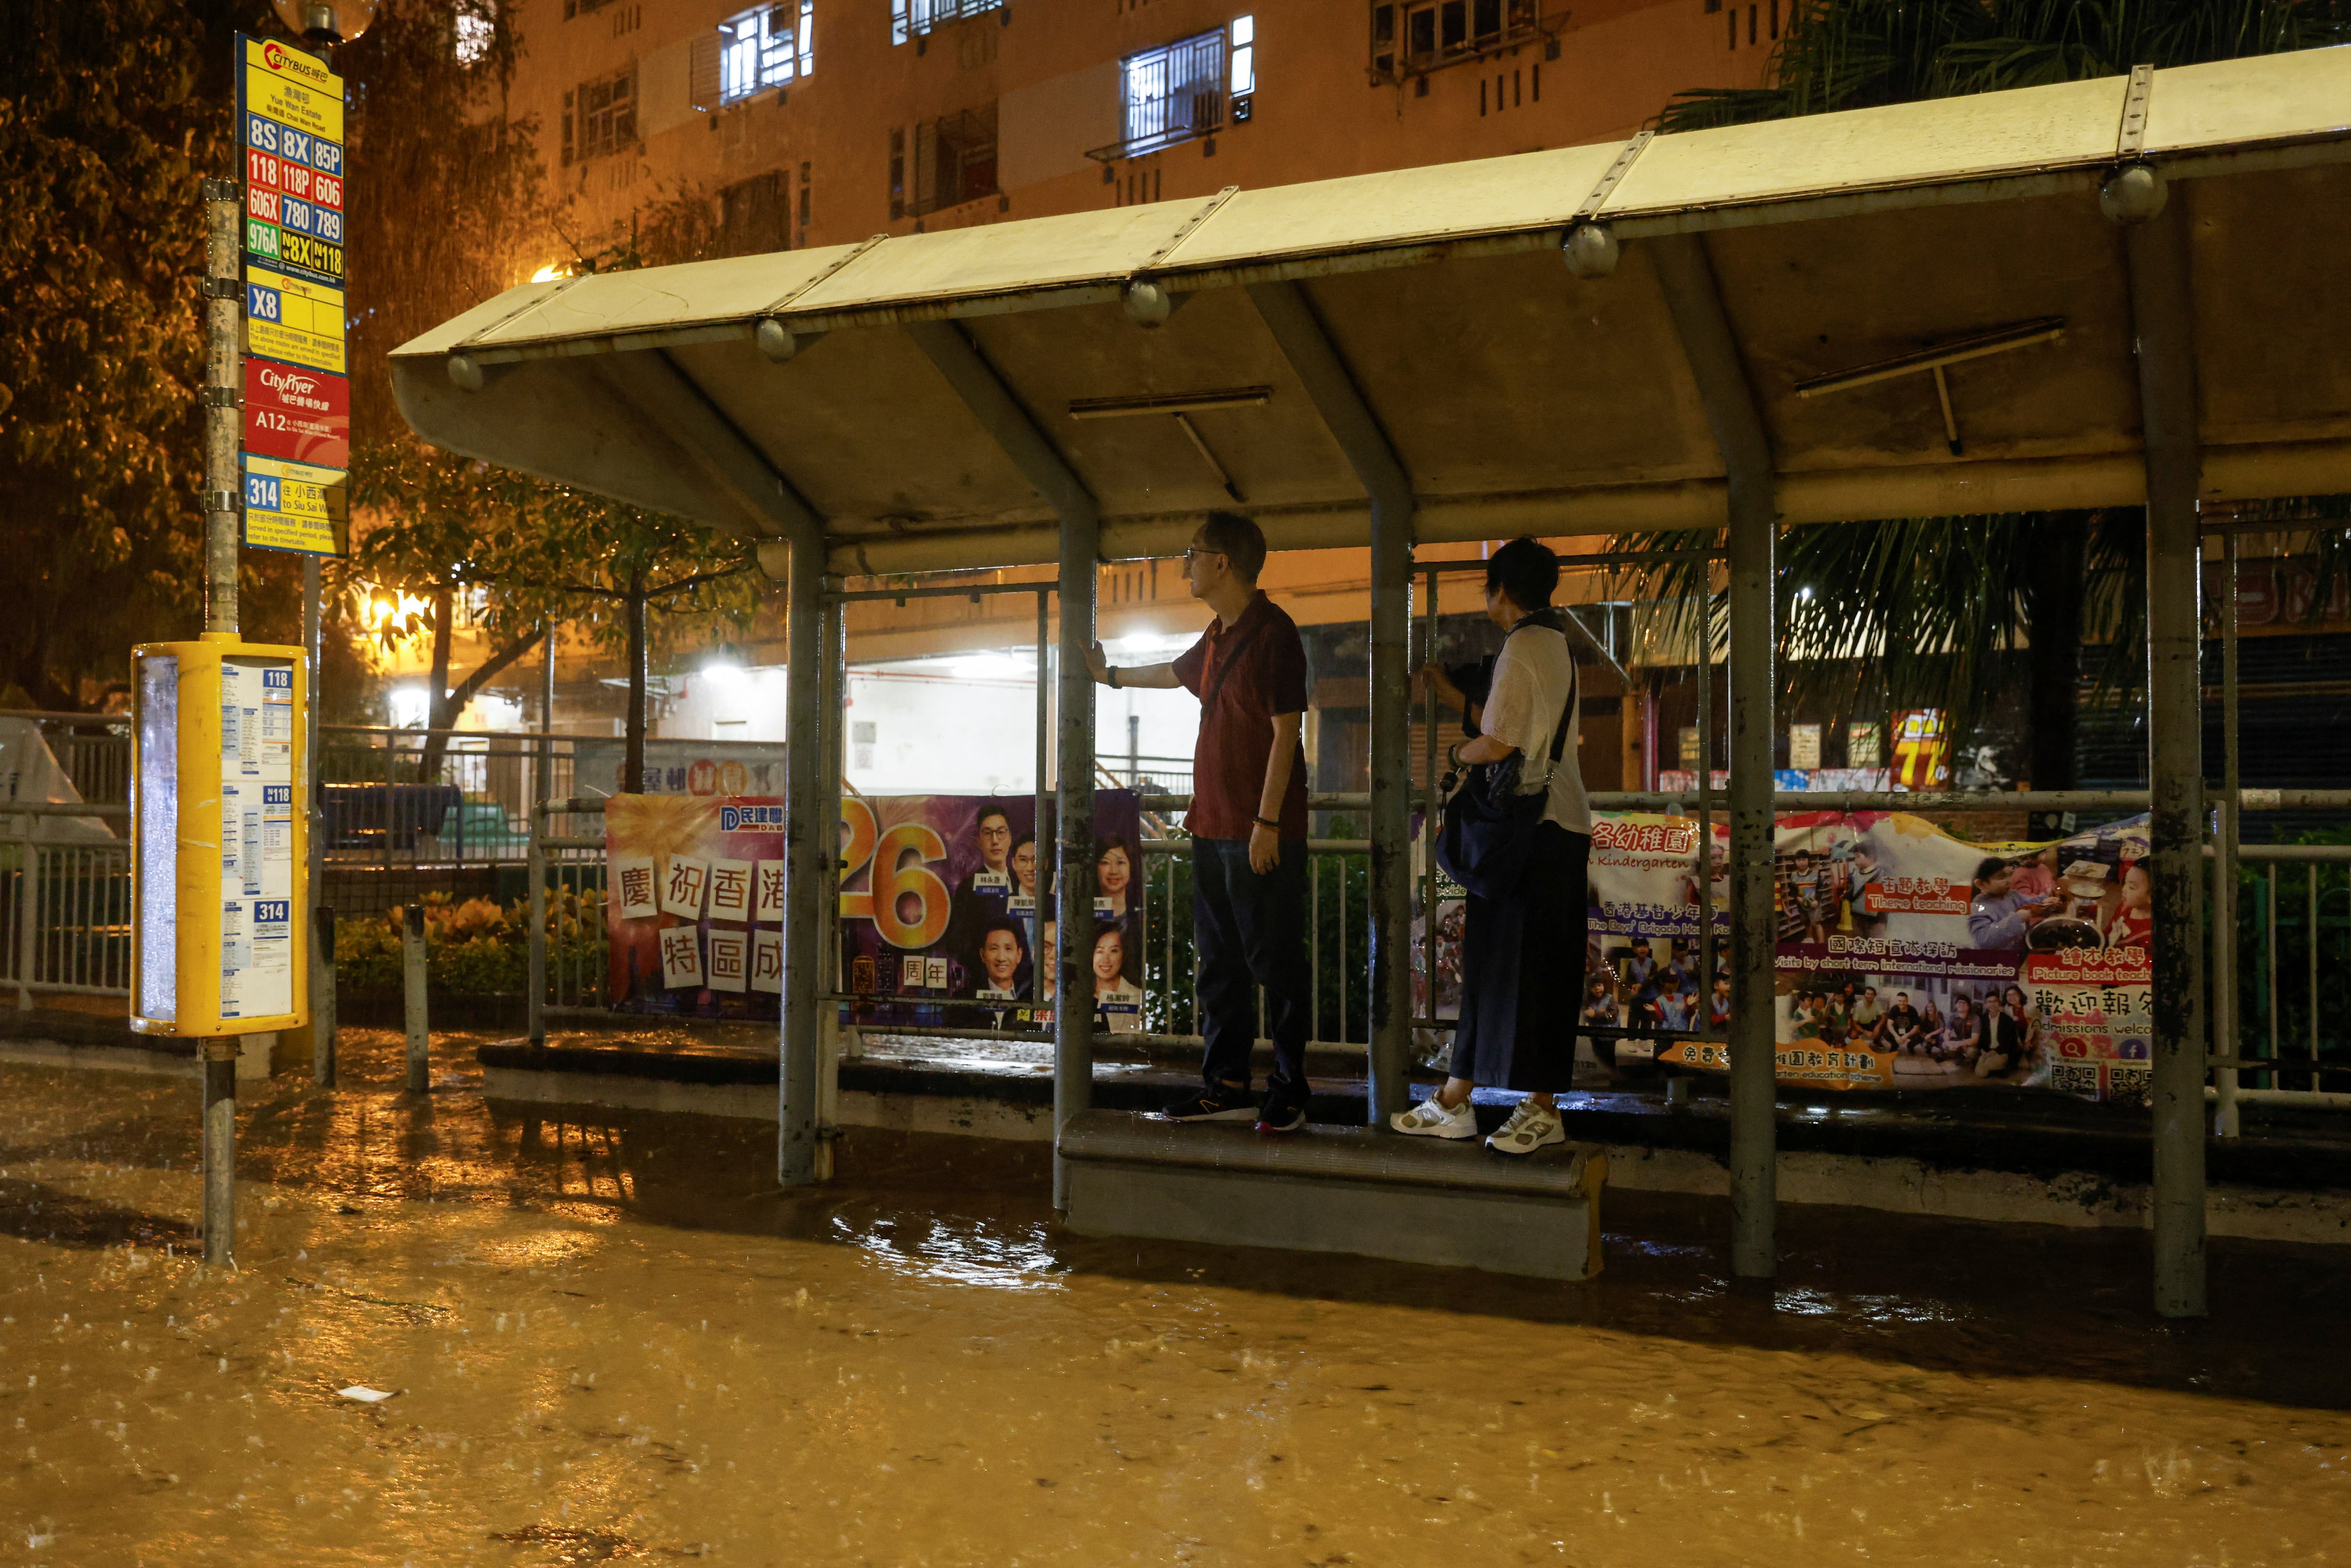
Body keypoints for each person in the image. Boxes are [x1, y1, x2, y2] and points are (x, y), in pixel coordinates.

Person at [1089, 511, 1313, 1131]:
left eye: (1192, 552)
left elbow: (1287, 732)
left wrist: (1267, 822)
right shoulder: (1217, 634)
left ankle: (1290, 1089)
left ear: (1222, 562)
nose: (1184, 564)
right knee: (1219, 963)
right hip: (1212, 826)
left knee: (1274, 961)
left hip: (1257, 831)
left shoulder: (1274, 633)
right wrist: (1108, 676)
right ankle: (1226, 1085)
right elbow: (1173, 672)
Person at [1389, 538, 1599, 1156]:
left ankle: (1525, 1106)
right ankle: (1467, 1096)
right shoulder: (1553, 642)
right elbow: (1509, 721)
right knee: (1528, 970)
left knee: (1508, 969)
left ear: (1500, 590)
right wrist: (1453, 696)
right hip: (1555, 829)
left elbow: (1499, 742)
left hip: (1531, 834)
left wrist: (1457, 755)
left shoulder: (1522, 644)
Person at [1967, 856, 2062, 950]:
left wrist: (2045, 902)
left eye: (2009, 875)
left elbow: (2030, 902)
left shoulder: (2012, 896)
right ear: (1981, 884)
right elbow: (1983, 941)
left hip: (2022, 949)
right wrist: (2018, 918)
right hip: (2002, 957)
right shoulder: (1978, 908)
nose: (2008, 881)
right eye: (2001, 878)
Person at [1091, 926, 1144, 1034]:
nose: (1106, 959)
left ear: (1124, 955)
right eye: (1100, 951)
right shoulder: (1077, 994)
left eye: (1114, 951)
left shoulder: (1136, 995)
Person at [2104, 859, 2153, 950]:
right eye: (2125, 883)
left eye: (2131, 888)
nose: (2124, 889)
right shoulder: (2126, 905)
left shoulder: (2148, 937)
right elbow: (2109, 931)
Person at [1882, 990, 1924, 1055]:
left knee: (1920, 1036)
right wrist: (1896, 1036)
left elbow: (1916, 1027)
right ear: (1897, 1001)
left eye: (1904, 1001)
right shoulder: (1894, 1009)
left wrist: (1906, 1036)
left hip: (1908, 1032)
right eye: (1900, 1001)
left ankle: (1910, 1046)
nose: (1902, 1003)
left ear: (1907, 1001)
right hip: (1897, 1031)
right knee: (1886, 1032)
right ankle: (1895, 1045)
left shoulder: (1912, 1010)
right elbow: (1889, 1025)